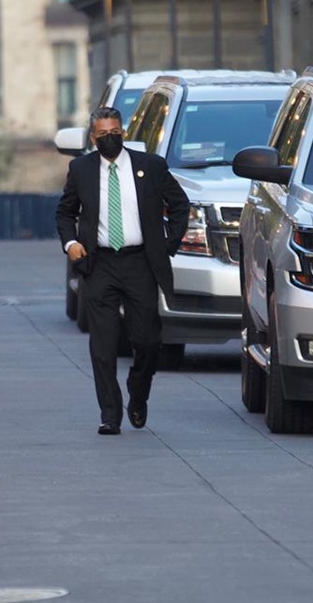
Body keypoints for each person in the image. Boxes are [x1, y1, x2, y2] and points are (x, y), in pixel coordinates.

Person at [56, 107, 190, 435]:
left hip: (140, 262)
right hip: (99, 263)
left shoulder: (151, 167)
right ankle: (110, 414)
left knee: (147, 340)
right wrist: (71, 243)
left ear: (124, 132)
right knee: (102, 344)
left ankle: (138, 393)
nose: (109, 139)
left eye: (114, 132)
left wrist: (167, 244)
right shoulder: (81, 169)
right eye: (102, 135)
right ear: (92, 138)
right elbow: (65, 213)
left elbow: (180, 205)